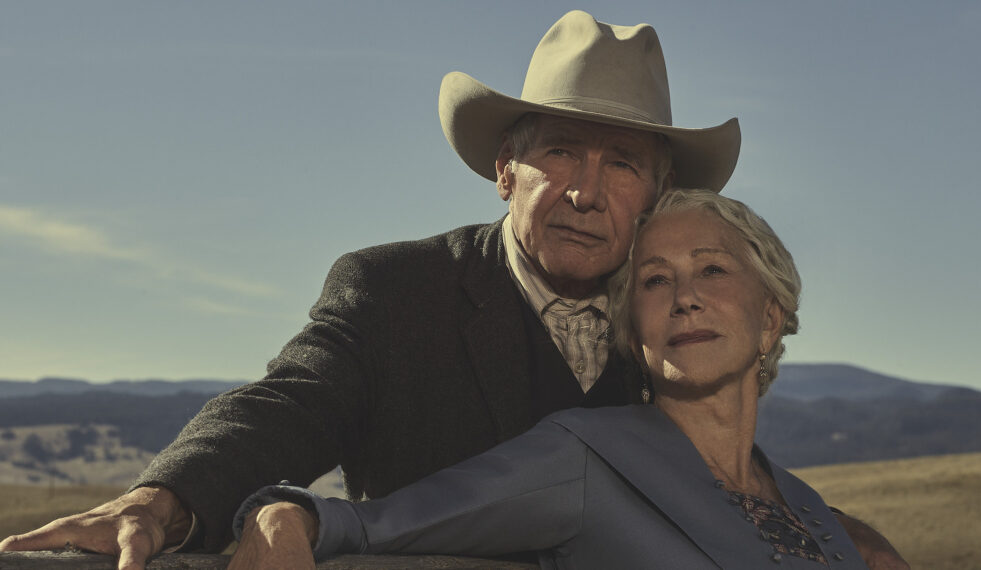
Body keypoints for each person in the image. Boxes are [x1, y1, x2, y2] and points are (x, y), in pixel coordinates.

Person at [0, 11, 906, 570]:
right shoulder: (398, 291)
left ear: (655, 194)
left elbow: (711, 482)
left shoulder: (672, 321)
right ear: (504, 169)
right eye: (560, 151)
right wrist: (162, 499)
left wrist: (837, 534)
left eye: (621, 162)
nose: (587, 190)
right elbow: (286, 406)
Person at [227, 189, 883, 569]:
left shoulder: (807, 507)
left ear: (771, 319)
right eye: (655, 280)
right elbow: (381, 523)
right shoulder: (583, 457)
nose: (684, 296)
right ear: (633, 332)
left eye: (712, 269)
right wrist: (288, 513)